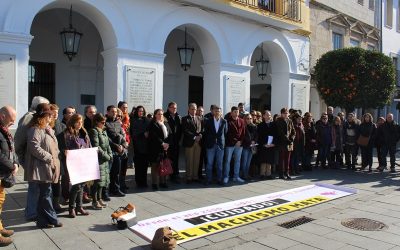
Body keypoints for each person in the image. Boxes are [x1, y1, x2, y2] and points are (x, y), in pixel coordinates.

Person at [25, 103, 62, 228]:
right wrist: (49, 157)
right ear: (43, 116)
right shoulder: (35, 129)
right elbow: (34, 147)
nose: (51, 117)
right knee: (45, 194)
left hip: (48, 166)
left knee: (45, 195)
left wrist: (55, 156)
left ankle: (43, 221)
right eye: (49, 115)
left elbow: (53, 146)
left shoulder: (48, 129)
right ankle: (52, 218)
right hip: (39, 167)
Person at [14, 96, 49, 221]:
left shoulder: (36, 117)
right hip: (31, 158)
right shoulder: (29, 117)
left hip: (35, 157)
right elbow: (18, 140)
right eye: (46, 106)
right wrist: (21, 158)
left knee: (37, 187)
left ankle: (33, 211)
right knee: (34, 187)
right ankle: (31, 213)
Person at [60, 114, 91, 218]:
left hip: (83, 162)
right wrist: (65, 151)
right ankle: (71, 208)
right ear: (73, 122)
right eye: (78, 122)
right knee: (76, 185)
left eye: (81, 122)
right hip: (72, 163)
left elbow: (88, 145)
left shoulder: (83, 132)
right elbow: (63, 148)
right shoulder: (66, 134)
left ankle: (79, 206)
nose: (80, 124)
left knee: (82, 185)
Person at [0, 106, 19, 246]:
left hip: (3, 173)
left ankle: (0, 228)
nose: (13, 123)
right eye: (11, 120)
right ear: (2, 116)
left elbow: (12, 150)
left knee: (0, 202)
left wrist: (16, 163)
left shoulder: (5, 132)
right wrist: (11, 166)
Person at [89, 113, 113, 209]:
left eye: (105, 122)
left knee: (102, 182)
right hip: (98, 160)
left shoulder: (103, 131)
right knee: (97, 182)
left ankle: (99, 199)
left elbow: (107, 145)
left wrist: (110, 154)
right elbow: (96, 146)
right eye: (102, 122)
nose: (104, 124)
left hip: (104, 160)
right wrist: (106, 156)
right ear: (96, 122)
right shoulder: (94, 131)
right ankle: (94, 201)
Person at [105, 105, 128, 196]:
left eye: (115, 112)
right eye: (112, 112)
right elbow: (106, 138)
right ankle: (106, 191)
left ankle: (115, 189)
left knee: (116, 171)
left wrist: (122, 145)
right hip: (109, 149)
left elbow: (122, 135)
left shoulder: (118, 123)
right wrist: (116, 146)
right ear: (107, 112)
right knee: (108, 172)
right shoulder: (105, 122)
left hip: (118, 150)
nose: (114, 113)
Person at [148, 109, 171, 190]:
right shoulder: (153, 124)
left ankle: (163, 182)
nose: (160, 115)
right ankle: (154, 183)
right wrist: (162, 143)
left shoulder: (165, 123)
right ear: (155, 115)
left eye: (161, 114)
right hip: (155, 148)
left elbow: (170, 134)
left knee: (163, 165)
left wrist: (167, 143)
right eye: (158, 114)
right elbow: (154, 136)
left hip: (165, 148)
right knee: (155, 166)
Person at [203, 106, 227, 185]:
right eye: (216, 111)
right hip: (210, 145)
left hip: (220, 145)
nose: (217, 112)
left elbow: (225, 132)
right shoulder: (209, 121)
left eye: (219, 111)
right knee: (209, 163)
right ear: (213, 112)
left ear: (221, 113)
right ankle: (208, 179)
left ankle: (219, 179)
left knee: (219, 164)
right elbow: (205, 133)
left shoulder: (224, 121)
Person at [223, 106, 246, 184]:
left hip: (239, 144)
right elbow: (227, 134)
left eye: (238, 112)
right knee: (227, 161)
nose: (236, 113)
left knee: (237, 161)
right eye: (235, 112)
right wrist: (236, 141)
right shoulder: (227, 121)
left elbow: (243, 133)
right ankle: (226, 176)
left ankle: (236, 177)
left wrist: (240, 141)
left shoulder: (242, 121)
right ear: (231, 112)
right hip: (230, 144)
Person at [182, 103, 203, 184]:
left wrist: (200, 135)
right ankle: (189, 177)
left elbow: (201, 129)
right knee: (189, 160)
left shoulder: (199, 118)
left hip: (198, 143)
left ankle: (195, 176)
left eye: (195, 109)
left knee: (196, 160)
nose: (194, 111)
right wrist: (194, 137)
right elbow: (185, 130)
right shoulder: (185, 119)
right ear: (188, 109)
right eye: (192, 109)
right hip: (189, 142)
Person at [49, 104, 64, 212]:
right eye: (53, 112)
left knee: (57, 182)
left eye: (57, 112)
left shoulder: (61, 125)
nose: (56, 114)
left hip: (59, 157)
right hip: (49, 157)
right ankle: (48, 203)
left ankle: (56, 203)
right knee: (48, 182)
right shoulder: (45, 125)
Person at [130, 106, 150, 188]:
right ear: (136, 112)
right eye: (139, 111)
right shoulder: (133, 120)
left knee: (145, 165)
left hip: (146, 146)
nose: (141, 112)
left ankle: (144, 181)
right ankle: (138, 182)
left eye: (142, 111)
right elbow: (133, 133)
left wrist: (148, 133)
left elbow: (150, 129)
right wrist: (143, 134)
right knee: (138, 165)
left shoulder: (147, 120)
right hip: (138, 145)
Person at [164, 102, 182, 183]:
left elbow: (180, 129)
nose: (174, 109)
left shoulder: (178, 117)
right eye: (172, 107)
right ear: (168, 108)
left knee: (176, 158)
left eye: (175, 108)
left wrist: (179, 139)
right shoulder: (164, 116)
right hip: (168, 142)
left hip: (176, 142)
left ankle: (175, 174)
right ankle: (169, 174)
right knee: (168, 159)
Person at [275, 108, 296, 179]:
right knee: (281, 159)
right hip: (282, 143)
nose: (286, 114)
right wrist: (287, 140)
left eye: (287, 113)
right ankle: (281, 174)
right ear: (281, 114)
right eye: (284, 113)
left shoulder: (290, 121)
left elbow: (293, 131)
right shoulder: (278, 121)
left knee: (288, 159)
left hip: (289, 143)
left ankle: (287, 173)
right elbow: (280, 133)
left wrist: (292, 138)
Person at [257, 110, 277, 179]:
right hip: (263, 145)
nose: (269, 116)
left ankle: (268, 174)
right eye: (267, 115)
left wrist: (273, 143)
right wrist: (263, 144)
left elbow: (276, 135)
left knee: (269, 160)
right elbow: (259, 136)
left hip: (271, 145)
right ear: (264, 116)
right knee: (263, 160)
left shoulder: (274, 125)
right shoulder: (260, 125)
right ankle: (262, 174)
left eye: (269, 115)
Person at [118, 101, 130, 192]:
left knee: (124, 165)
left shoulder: (128, 118)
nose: (125, 109)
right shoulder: (118, 118)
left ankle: (123, 183)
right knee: (119, 166)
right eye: (123, 107)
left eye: (126, 107)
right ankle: (118, 184)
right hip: (120, 145)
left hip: (127, 143)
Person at [241, 114, 257, 180]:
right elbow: (243, 136)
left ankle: (246, 174)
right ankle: (243, 175)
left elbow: (256, 135)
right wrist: (250, 142)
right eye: (247, 118)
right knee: (244, 161)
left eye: (250, 118)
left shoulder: (254, 126)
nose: (249, 120)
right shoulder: (243, 126)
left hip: (252, 146)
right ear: (245, 119)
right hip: (245, 146)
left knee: (248, 162)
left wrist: (254, 141)